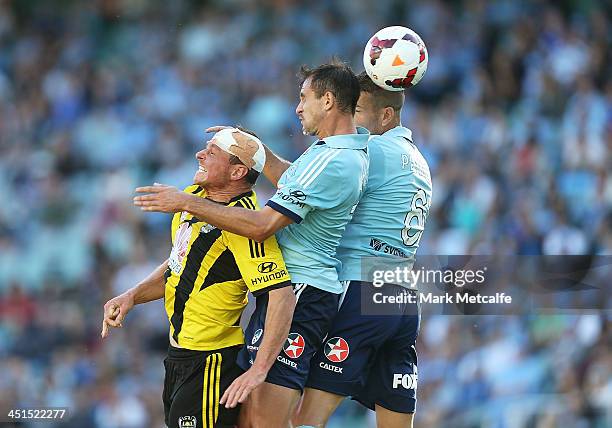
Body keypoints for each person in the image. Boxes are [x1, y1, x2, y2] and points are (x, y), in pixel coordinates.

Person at [133, 60, 369, 427]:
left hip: (302, 292)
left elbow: (261, 227)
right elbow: (288, 179)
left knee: (266, 422)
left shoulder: (334, 160)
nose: (297, 107)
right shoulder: (324, 156)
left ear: (327, 100)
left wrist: (184, 200)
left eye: (303, 97)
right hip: (290, 297)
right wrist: (256, 148)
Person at [102, 128, 296, 428]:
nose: (199, 155)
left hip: (210, 361)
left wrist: (260, 368)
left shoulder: (244, 225)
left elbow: (282, 295)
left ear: (237, 171)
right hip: (179, 355)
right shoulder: (191, 197)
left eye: (212, 152)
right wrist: (133, 295)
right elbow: (181, 262)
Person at [292, 72, 433, 428]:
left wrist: (260, 158)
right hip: (403, 301)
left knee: (306, 420)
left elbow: (299, 190)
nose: (350, 120)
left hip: (362, 289)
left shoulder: (375, 150)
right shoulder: (418, 160)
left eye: (357, 111)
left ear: (385, 116)